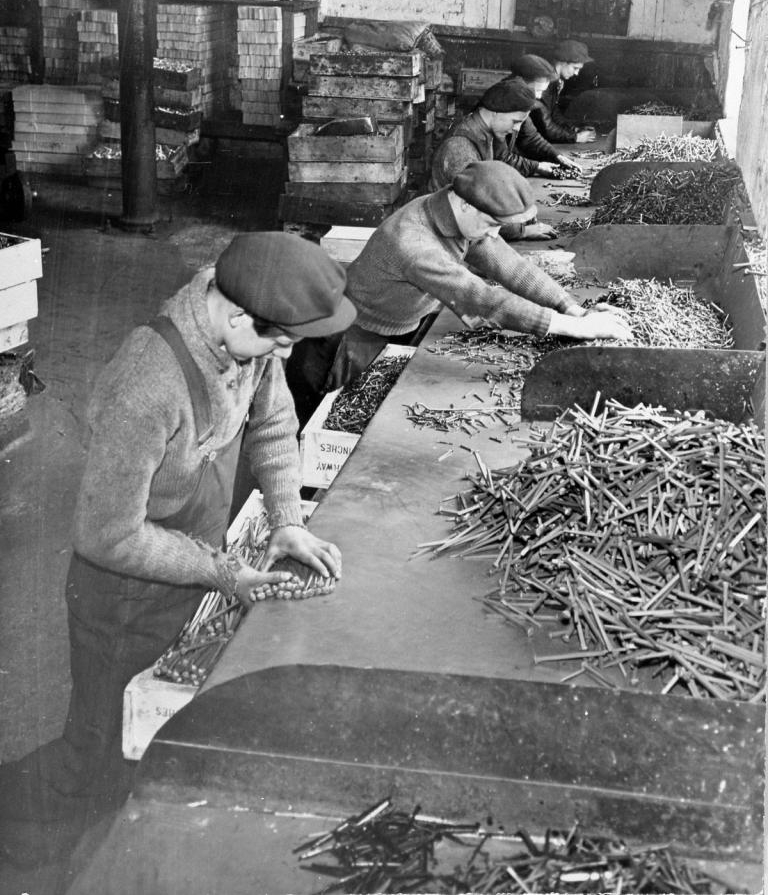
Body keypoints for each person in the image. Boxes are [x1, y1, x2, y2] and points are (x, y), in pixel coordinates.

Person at [0, 232, 356, 869]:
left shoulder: (250, 333)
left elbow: (272, 422)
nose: (287, 351)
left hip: (187, 566)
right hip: (121, 590)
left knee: (136, 740)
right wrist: (222, 570)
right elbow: (107, 535)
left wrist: (287, 518)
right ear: (239, 315)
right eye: (280, 339)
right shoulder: (149, 380)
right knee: (100, 744)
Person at [286, 162, 631, 422]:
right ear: (464, 205)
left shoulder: (456, 215)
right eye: (492, 223)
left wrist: (572, 308)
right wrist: (574, 329)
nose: (495, 233)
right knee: (320, 424)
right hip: (344, 341)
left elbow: (511, 267)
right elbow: (482, 297)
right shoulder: (413, 241)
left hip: (397, 325)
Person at [429, 79, 573, 243]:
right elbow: (475, 209)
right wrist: (521, 230)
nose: (516, 129)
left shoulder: (482, 132)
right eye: (515, 121)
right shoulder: (460, 146)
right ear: (495, 112)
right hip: (442, 236)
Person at [525, 39, 597, 145]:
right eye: (575, 68)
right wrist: (576, 137)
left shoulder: (555, 80)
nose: (577, 73)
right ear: (563, 63)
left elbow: (553, 112)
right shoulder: (543, 82)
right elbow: (546, 127)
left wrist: (574, 128)